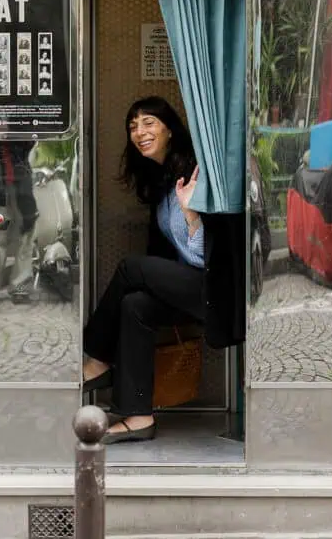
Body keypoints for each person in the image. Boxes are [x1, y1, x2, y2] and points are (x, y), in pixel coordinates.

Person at [82, 96, 204, 446]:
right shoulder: (163, 182)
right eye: (133, 125)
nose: (139, 131)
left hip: (215, 287)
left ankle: (98, 359)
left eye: (148, 122)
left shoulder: (196, 174)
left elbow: (209, 255)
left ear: (169, 129)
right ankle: (138, 417)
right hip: (188, 284)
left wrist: (193, 215)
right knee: (135, 303)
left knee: (129, 268)